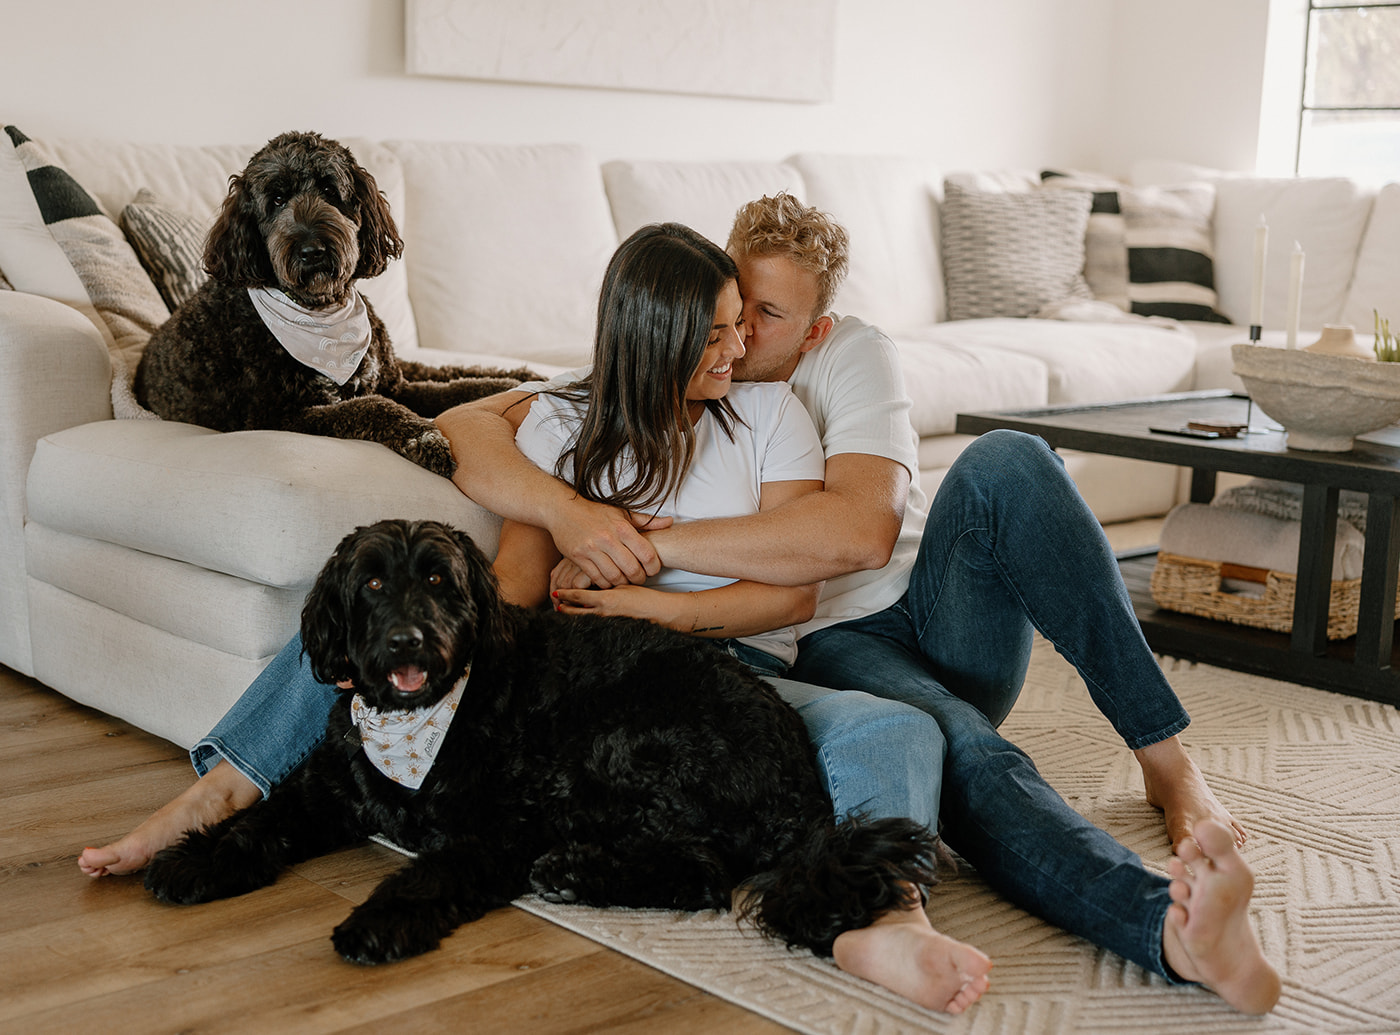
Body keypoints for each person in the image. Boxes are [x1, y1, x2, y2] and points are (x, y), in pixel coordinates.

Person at [82, 195, 1279, 1015]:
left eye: (750, 327)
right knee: (374, 600)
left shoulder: (774, 408)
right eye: (715, 332)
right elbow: (498, 589)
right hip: (703, 678)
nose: (740, 353)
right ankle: (209, 793)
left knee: (936, 709)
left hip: (769, 657)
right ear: (655, 333)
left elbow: (806, 574)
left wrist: (631, 563)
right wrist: (556, 544)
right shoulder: (555, 425)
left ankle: (1082, 885)